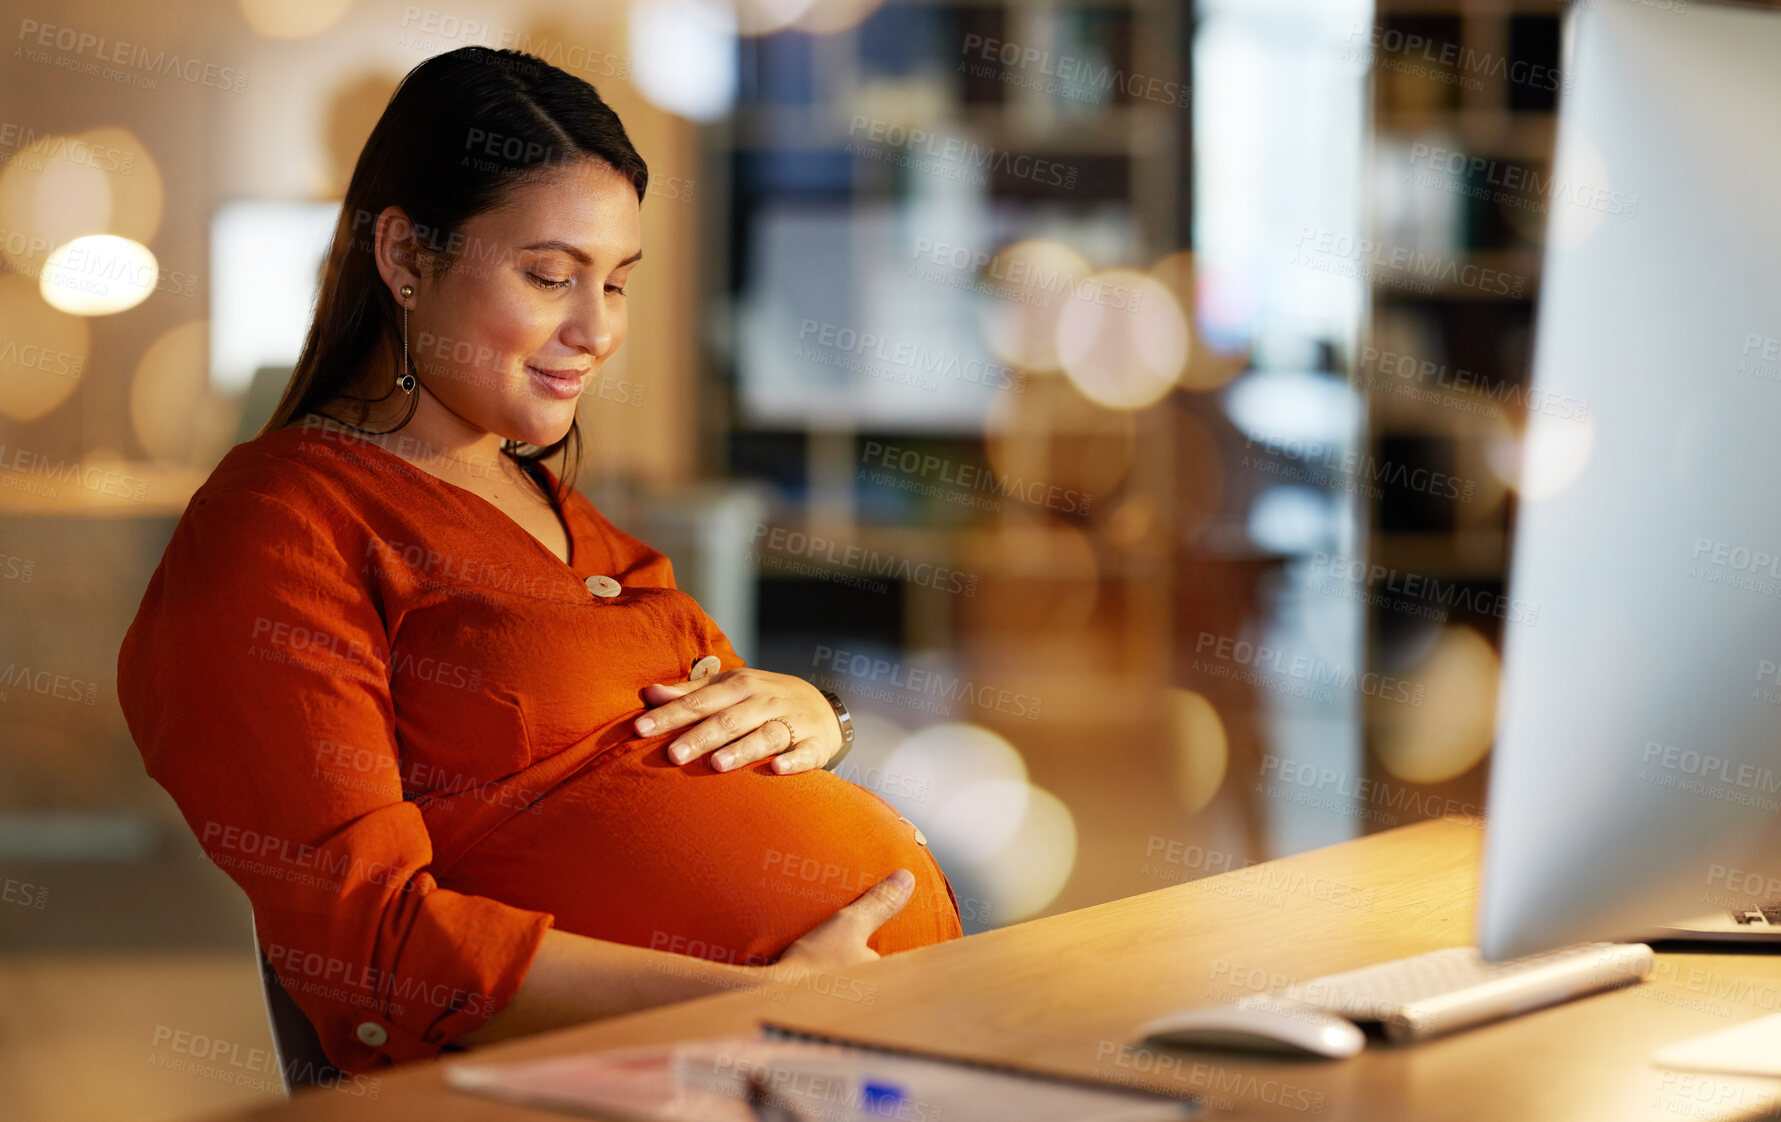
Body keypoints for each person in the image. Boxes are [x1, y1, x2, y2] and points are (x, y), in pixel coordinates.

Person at [115, 45, 962, 1078]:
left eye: (615, 282)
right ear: (404, 258)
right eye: (550, 275)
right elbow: (365, 947)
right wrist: (757, 1007)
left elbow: (710, 744)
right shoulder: (279, 522)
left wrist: (812, 714)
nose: (595, 329)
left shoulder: (567, 521)